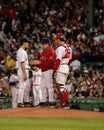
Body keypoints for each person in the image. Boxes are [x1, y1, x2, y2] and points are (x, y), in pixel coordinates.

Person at [30, 38, 56, 107]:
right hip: (43, 71)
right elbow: (41, 63)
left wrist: (40, 62)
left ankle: (51, 101)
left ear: (48, 44)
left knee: (49, 86)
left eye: (44, 44)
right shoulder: (42, 52)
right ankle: (43, 101)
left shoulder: (51, 51)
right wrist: (36, 63)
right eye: (42, 44)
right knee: (42, 87)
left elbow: (50, 63)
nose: (43, 45)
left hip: (49, 70)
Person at [53, 33, 72, 109]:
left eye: (56, 39)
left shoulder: (60, 48)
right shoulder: (69, 48)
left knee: (61, 87)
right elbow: (70, 60)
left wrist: (54, 70)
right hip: (66, 66)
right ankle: (63, 103)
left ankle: (64, 104)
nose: (55, 41)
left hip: (60, 67)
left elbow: (58, 60)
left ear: (58, 39)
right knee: (61, 86)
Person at [16, 38, 31, 107]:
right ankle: (20, 102)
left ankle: (26, 101)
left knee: (27, 87)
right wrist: (25, 73)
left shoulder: (21, 51)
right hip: (23, 70)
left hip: (24, 70)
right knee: (22, 86)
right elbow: (22, 63)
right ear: (24, 43)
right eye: (27, 42)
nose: (28, 44)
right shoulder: (22, 52)